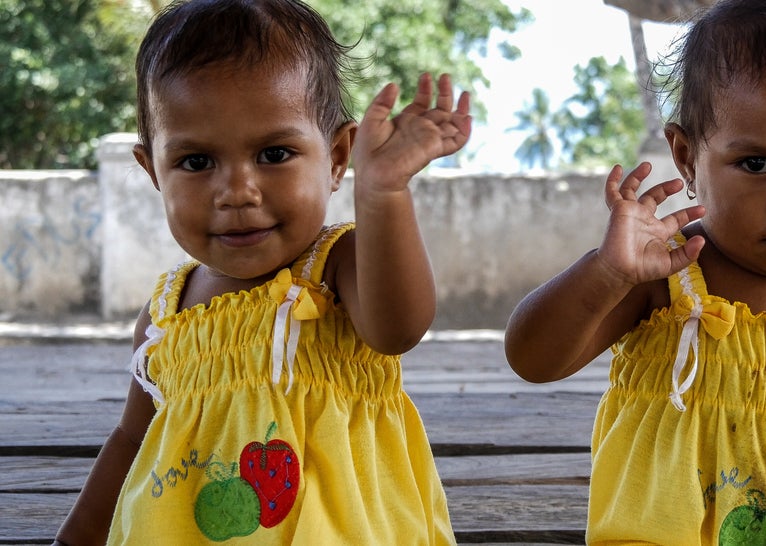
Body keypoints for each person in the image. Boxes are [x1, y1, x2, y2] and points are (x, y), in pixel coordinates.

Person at [505, 1, 766, 544]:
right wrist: (605, 273)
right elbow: (533, 360)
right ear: (687, 157)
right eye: (757, 164)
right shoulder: (664, 277)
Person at [53, 0, 470, 544]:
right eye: (197, 162)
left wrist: (383, 191)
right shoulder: (165, 314)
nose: (237, 192)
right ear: (152, 169)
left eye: (274, 153)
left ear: (338, 156)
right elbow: (133, 439)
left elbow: (399, 327)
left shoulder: (338, 267)